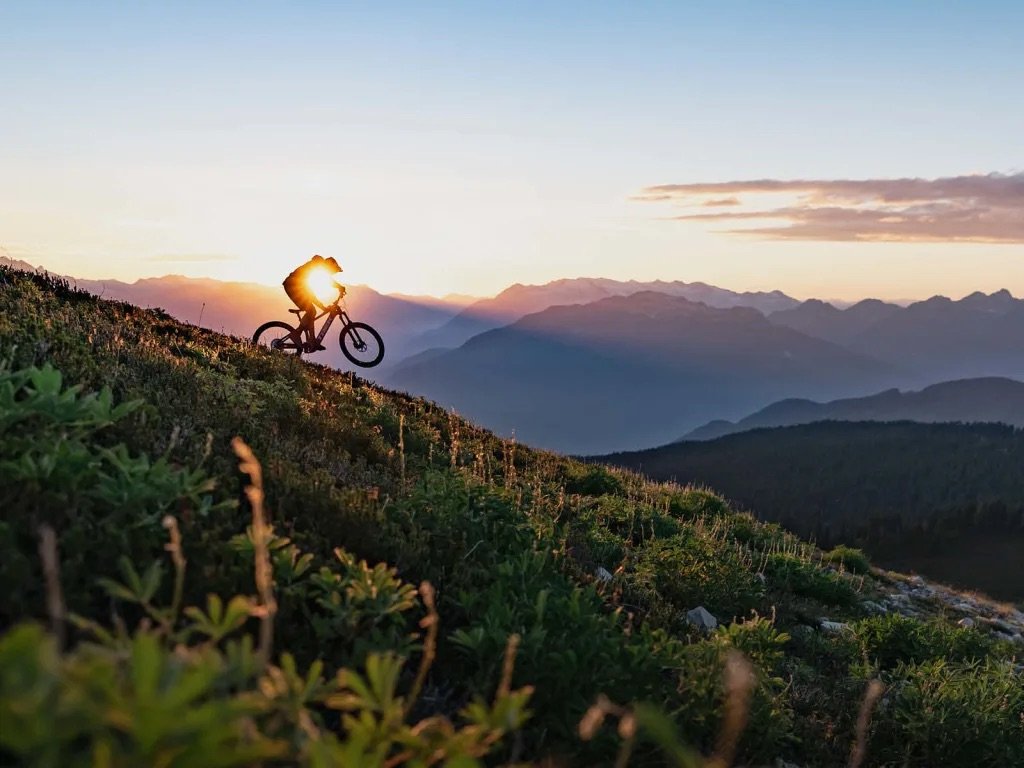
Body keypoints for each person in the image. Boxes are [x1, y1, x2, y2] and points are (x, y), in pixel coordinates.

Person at [282, 254, 345, 351]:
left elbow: (326, 281)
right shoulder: (317, 266)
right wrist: (322, 306)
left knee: (311, 311)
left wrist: (339, 287)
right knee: (311, 311)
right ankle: (300, 336)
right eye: (333, 271)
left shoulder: (319, 267)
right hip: (292, 286)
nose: (332, 274)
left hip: (296, 286)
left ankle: (311, 340)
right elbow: (311, 294)